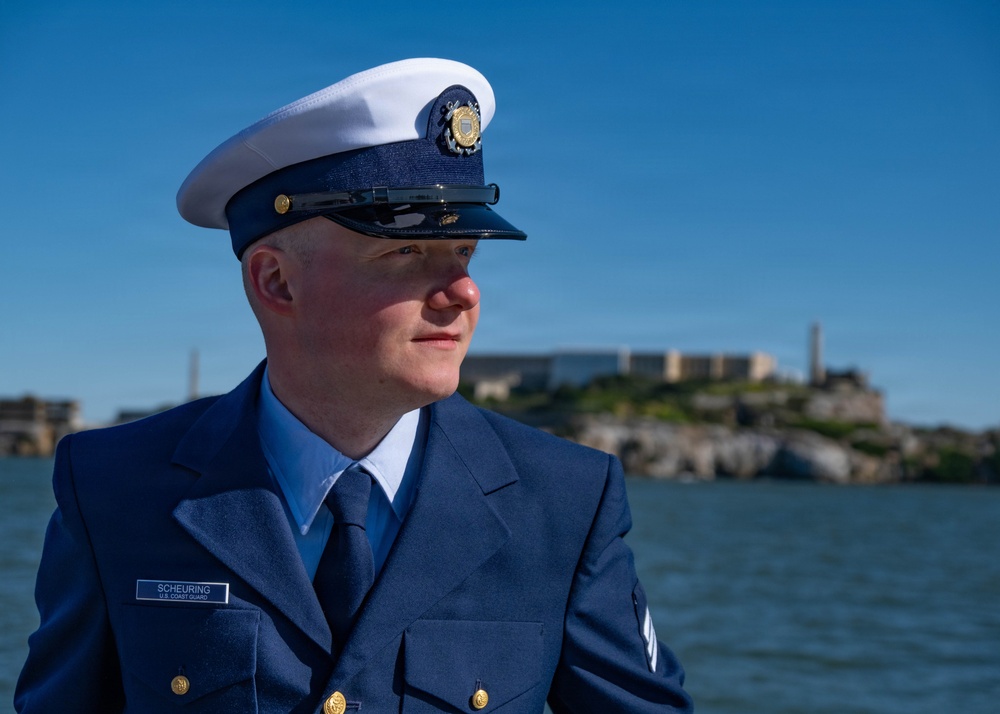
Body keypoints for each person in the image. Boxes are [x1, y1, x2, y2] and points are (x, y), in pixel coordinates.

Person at [16, 58, 692, 713]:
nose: (463, 290)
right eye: (405, 253)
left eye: (464, 253)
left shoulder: (566, 503)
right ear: (277, 281)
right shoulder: (112, 489)